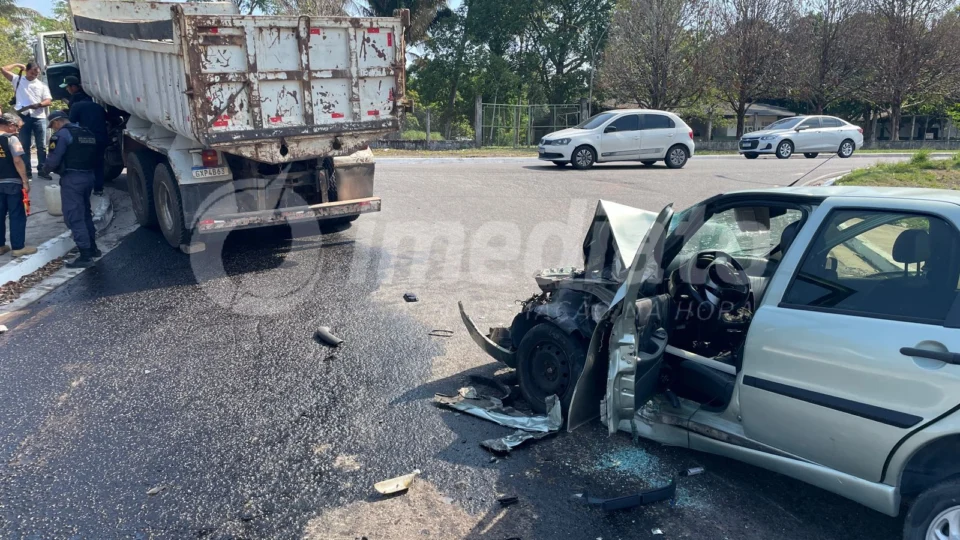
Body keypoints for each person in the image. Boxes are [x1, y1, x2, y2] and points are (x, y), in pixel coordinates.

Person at [43, 111, 101, 268]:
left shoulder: (62, 135)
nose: (53, 129)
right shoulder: (86, 132)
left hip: (72, 179)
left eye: (53, 126)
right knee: (85, 213)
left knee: (74, 216)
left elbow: (54, 160)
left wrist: (45, 169)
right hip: (89, 177)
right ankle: (93, 248)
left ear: (57, 122)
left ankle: (85, 255)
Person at [1, 62, 53, 179]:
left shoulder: (41, 85)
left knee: (41, 146)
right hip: (23, 116)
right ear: (26, 70)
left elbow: (48, 100)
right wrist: (17, 64)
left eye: (36, 73)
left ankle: (42, 170)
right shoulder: (17, 80)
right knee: (25, 145)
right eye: (31, 72)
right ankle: (27, 171)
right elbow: (3, 69)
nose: (34, 75)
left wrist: (39, 104)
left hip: (39, 117)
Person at [63, 76, 108, 195]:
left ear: (73, 87)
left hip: (85, 140)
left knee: (86, 164)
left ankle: (85, 189)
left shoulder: (76, 106)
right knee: (99, 162)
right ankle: (98, 189)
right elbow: (108, 119)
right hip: (101, 138)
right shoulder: (97, 106)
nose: (67, 90)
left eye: (68, 87)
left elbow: (71, 123)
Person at [0, 113, 36, 257]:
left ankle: (1, 246)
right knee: (17, 214)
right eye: (17, 128)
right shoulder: (11, 138)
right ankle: (18, 247)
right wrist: (25, 180)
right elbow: (18, 161)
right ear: (10, 125)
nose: (17, 131)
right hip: (12, 183)